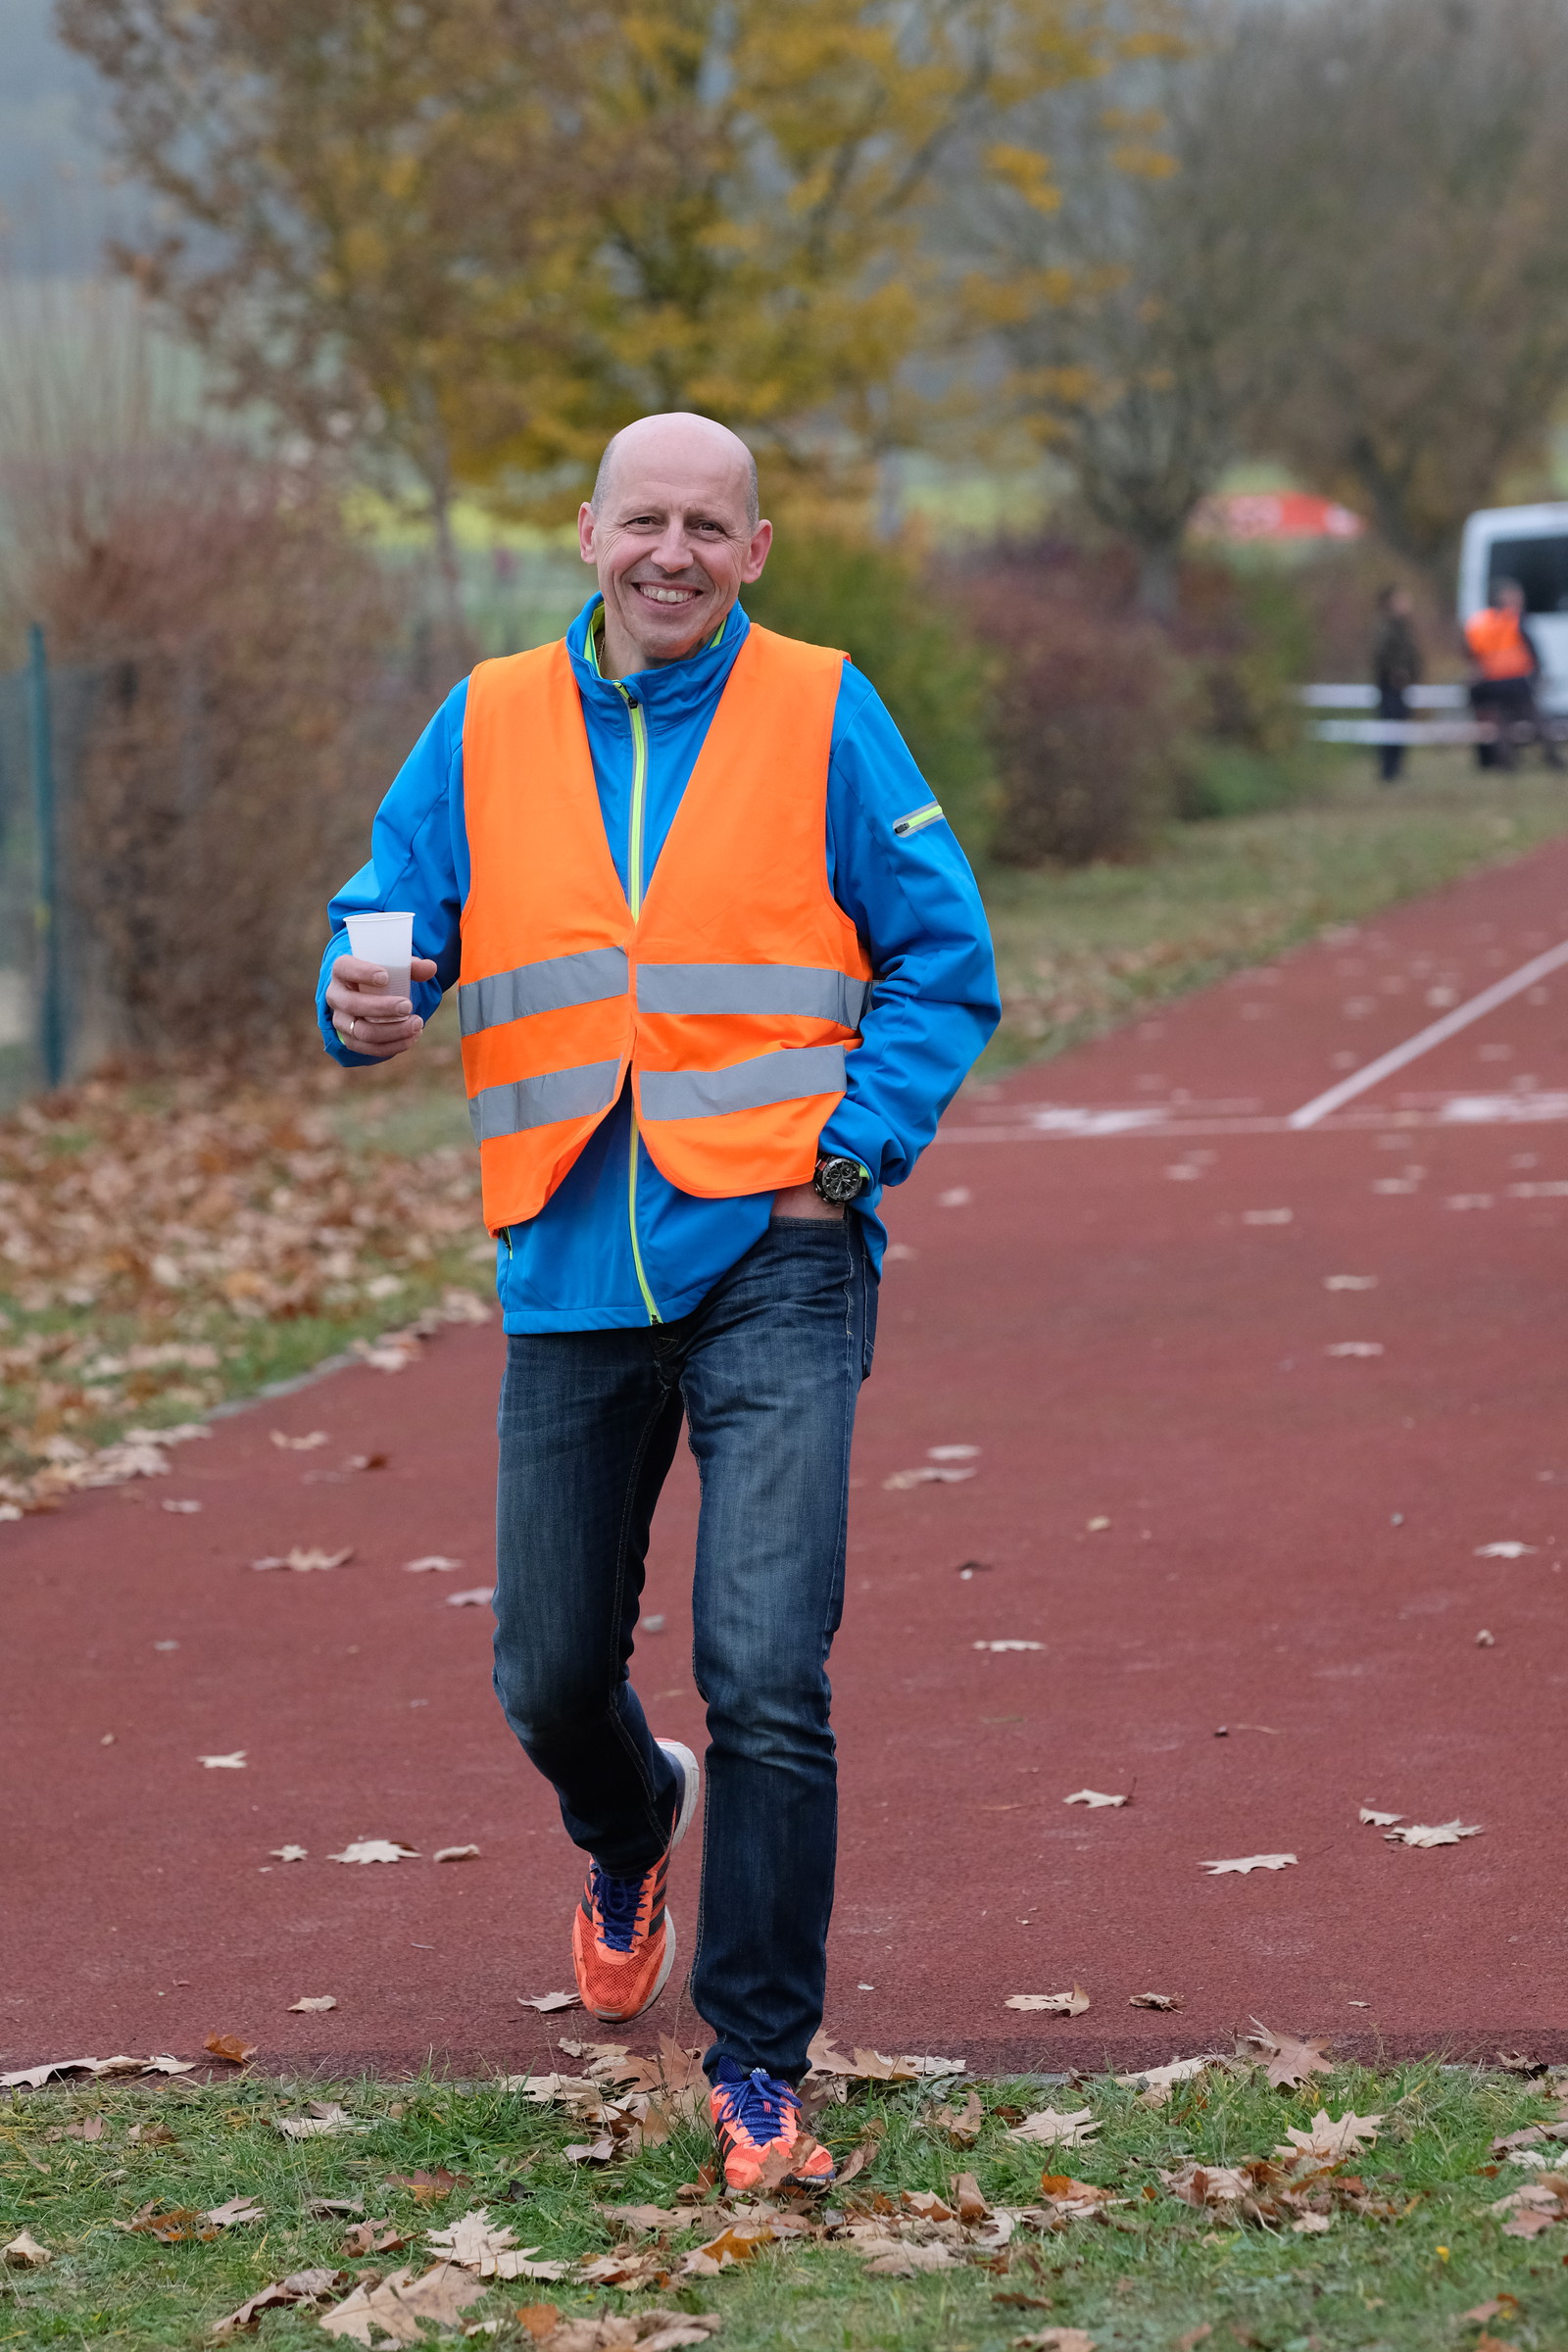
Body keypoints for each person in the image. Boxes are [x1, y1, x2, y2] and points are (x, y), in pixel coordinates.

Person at [317, 412, 1000, 2192]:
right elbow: (385, 925)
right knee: (549, 1674)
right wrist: (362, 998)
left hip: (776, 1247)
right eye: (645, 521)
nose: (672, 553)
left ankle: (759, 2064)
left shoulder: (824, 707)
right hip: (565, 1254)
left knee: (766, 1669)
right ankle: (634, 1828)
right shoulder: (484, 719)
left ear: (753, 551)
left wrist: (852, 1152)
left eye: (708, 525)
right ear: (588, 534)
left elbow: (944, 958)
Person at [1464, 576, 1555, 770]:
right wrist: (1538, 674)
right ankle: (1552, 758)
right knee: (1537, 721)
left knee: (1501, 726)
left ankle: (1506, 763)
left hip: (1492, 683)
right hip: (1516, 681)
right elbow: (1532, 649)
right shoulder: (1515, 619)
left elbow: (1471, 653)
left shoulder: (1479, 622)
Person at [1371, 584, 1421, 784]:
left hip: (1403, 684)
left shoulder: (1403, 627)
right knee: (1390, 724)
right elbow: (1381, 654)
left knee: (1400, 724)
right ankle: (1388, 770)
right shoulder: (1387, 627)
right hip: (1390, 684)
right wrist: (1394, 671)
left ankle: (1396, 767)